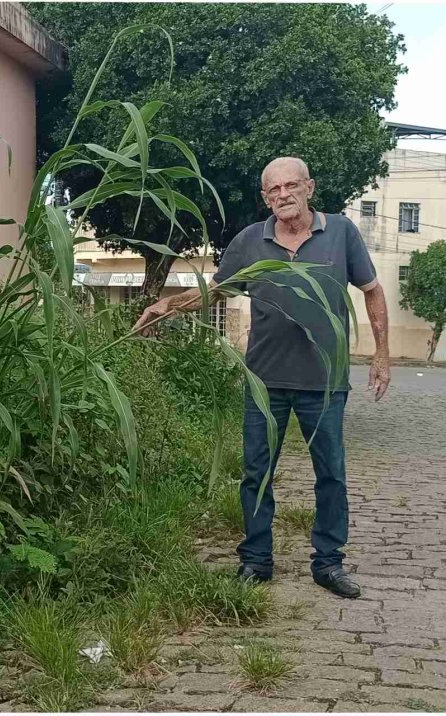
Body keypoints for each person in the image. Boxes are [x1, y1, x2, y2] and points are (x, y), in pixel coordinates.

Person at [133, 157, 390, 599]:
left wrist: (381, 355)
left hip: (325, 382)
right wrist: (165, 305)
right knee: (257, 472)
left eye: (291, 185)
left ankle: (328, 563)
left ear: (309, 187)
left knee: (331, 474)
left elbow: (372, 290)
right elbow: (216, 291)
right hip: (264, 380)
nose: (283, 195)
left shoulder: (342, 233)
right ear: (265, 197)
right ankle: (256, 559)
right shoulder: (251, 241)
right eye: (273, 190)